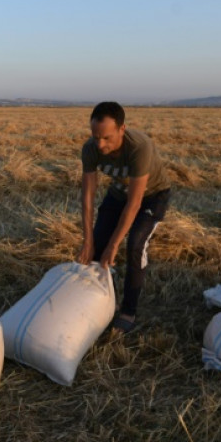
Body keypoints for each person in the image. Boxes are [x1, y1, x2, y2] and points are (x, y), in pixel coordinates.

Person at [77, 101, 172, 335]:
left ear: (122, 129)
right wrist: (88, 241)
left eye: (107, 138)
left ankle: (128, 311)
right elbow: (87, 197)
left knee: (135, 244)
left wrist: (114, 245)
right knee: (97, 249)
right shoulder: (90, 149)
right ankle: (99, 304)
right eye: (96, 137)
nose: (100, 144)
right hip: (119, 193)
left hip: (152, 196)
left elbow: (135, 203)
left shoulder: (139, 147)